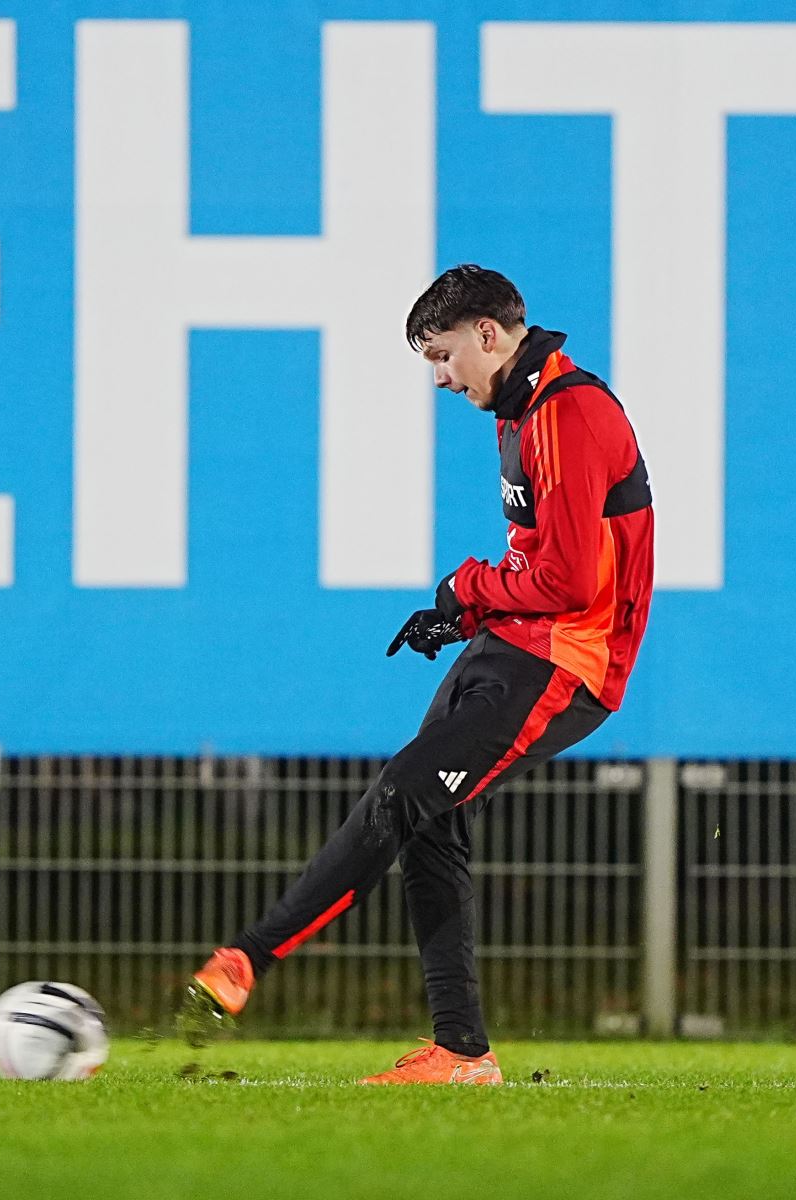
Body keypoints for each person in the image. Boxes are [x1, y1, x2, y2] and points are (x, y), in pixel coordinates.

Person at [177, 264, 655, 1084]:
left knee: (405, 791)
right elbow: (542, 559)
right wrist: (465, 614)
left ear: (488, 335)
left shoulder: (566, 413)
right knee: (429, 821)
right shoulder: (520, 409)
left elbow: (576, 584)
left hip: (567, 662)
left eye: (441, 356)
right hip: (514, 644)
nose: (437, 377)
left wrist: (464, 588)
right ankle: (462, 1052)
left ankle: (248, 957)